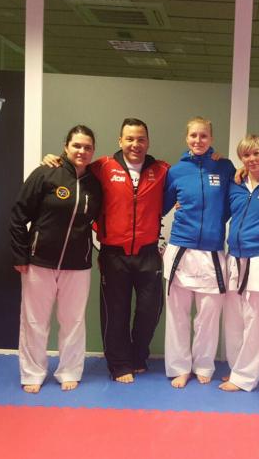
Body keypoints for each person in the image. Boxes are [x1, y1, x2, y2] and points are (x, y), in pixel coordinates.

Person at [42, 118, 170, 384]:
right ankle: (119, 364)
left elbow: (190, 178)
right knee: (115, 312)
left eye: (141, 139)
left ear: (148, 142)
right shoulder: (102, 167)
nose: (135, 144)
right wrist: (55, 160)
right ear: (120, 140)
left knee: (150, 310)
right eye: (130, 139)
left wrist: (217, 161)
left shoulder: (161, 170)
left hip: (148, 253)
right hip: (114, 254)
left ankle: (138, 356)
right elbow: (74, 168)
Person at [10, 125, 102, 393]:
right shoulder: (45, 173)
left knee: (73, 321)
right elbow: (18, 215)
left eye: (87, 147)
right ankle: (32, 373)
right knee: (34, 320)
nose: (82, 151)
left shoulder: (95, 184)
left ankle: (69, 370)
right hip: (39, 261)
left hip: (78, 264)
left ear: (93, 151)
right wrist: (20, 254)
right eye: (77, 145)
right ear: (66, 147)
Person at [162, 117, 236, 388]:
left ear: (211, 138)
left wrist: (214, 221)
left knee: (208, 316)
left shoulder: (225, 167)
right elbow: (161, 206)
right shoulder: (176, 171)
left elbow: (234, 203)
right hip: (181, 249)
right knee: (178, 315)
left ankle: (203, 364)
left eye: (203, 135)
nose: (198, 140)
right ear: (186, 138)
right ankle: (180, 367)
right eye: (193, 135)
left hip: (211, 252)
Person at [219, 135, 259, 392]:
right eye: (246, 155)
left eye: (256, 153)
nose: (252, 159)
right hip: (234, 256)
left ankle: (245, 377)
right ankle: (236, 369)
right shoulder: (235, 184)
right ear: (241, 158)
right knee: (234, 319)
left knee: (256, 320)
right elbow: (218, 211)